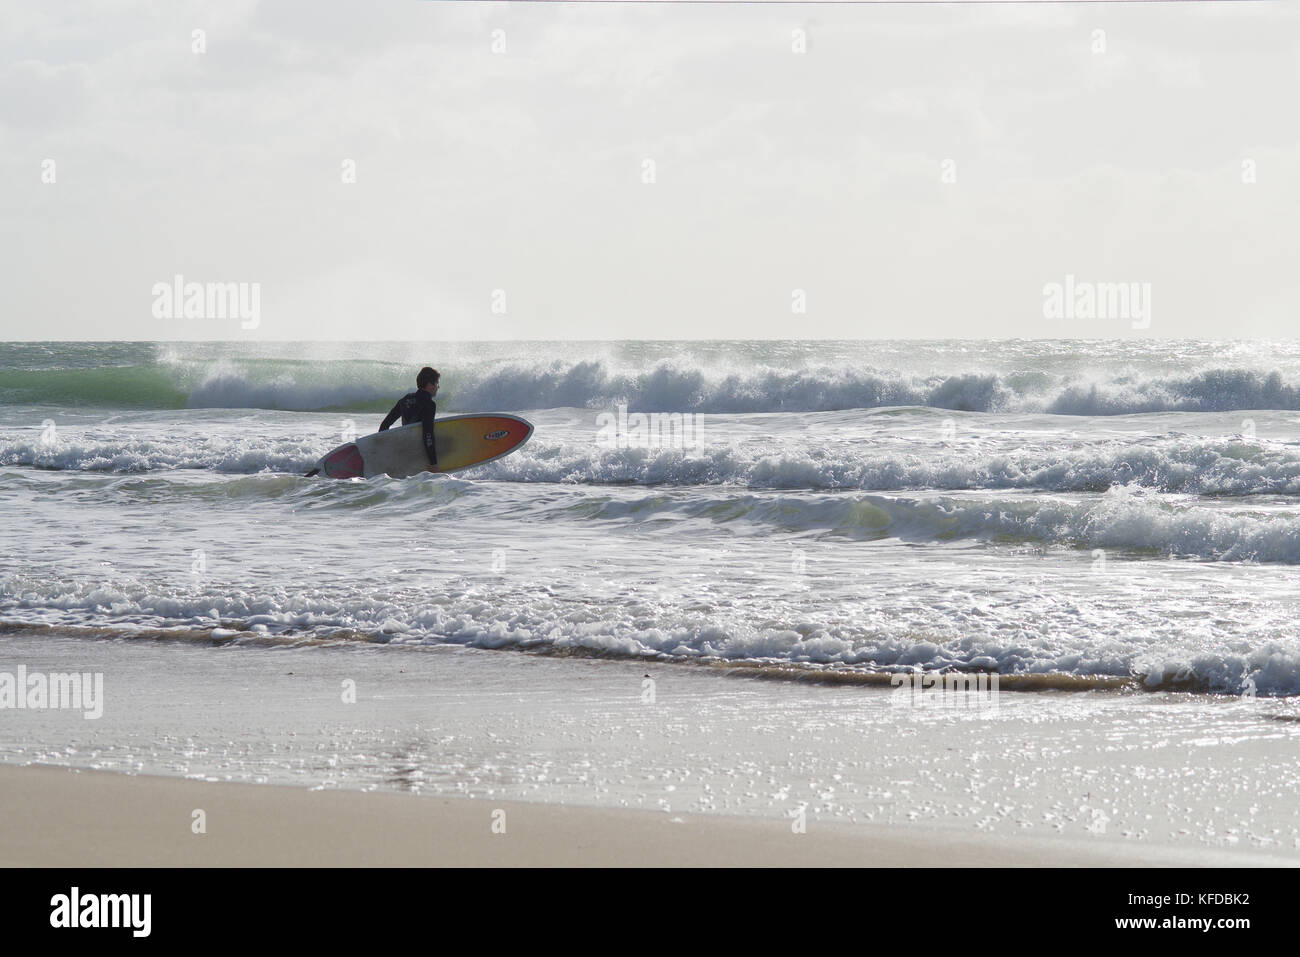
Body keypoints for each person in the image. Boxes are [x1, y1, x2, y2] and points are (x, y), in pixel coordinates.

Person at [379, 367, 440, 471]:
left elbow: (385, 425)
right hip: (419, 454)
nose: (438, 387)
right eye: (437, 383)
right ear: (430, 385)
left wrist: (382, 449)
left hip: (405, 450)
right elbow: (427, 433)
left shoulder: (406, 399)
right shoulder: (429, 404)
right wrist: (433, 463)